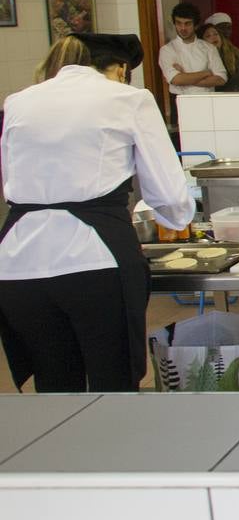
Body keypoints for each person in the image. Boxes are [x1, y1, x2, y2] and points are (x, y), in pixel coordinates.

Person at [0, 33, 194, 393]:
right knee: (113, 382)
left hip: (16, 261)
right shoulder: (129, 99)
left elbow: (11, 182)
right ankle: (113, 448)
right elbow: (167, 191)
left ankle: (65, 448)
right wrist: (178, 220)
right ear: (120, 68)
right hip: (94, 260)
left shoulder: (18, 101)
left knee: (55, 383)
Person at [157, 2, 226, 95]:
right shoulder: (167, 50)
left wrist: (185, 77)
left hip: (207, 100)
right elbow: (176, 80)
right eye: (179, 23)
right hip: (179, 99)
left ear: (196, 25)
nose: (183, 28)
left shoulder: (209, 48)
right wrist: (206, 73)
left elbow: (221, 79)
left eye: (187, 24)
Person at [203, 11, 239, 91]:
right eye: (222, 28)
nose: (227, 31)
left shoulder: (237, 53)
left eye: (229, 28)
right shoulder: (205, 54)